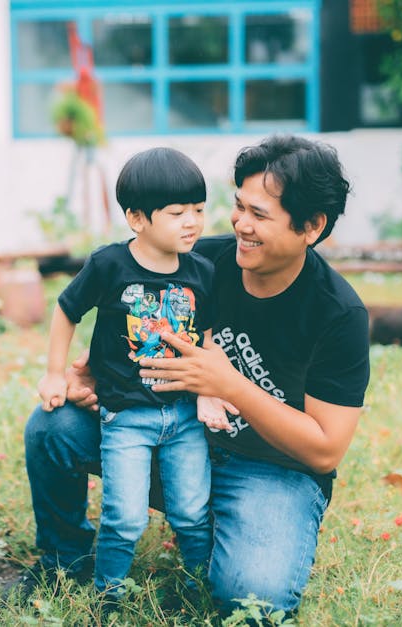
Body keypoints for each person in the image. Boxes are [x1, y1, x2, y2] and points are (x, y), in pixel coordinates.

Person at [22, 134, 370, 617]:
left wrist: (229, 385)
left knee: (256, 601)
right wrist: (98, 372)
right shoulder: (196, 261)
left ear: (311, 226)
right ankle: (65, 559)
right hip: (175, 437)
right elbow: (127, 313)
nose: (241, 225)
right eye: (238, 206)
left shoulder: (338, 314)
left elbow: (325, 448)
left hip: (271, 473)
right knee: (53, 428)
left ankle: (229, 528)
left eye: (260, 215)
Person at [34, 147, 235, 603]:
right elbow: (66, 310)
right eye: (177, 213)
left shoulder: (202, 271)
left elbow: (206, 335)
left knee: (190, 513)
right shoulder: (109, 265)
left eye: (200, 211)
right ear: (137, 219)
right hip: (124, 416)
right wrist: (52, 373)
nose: (193, 223)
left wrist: (208, 391)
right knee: (125, 517)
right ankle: (109, 596)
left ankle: (198, 589)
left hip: (184, 417)